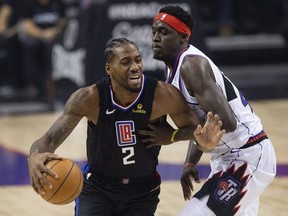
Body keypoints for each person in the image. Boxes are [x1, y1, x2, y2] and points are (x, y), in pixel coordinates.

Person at [27, 38, 225, 216]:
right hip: (98, 188)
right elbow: (49, 141)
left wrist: (175, 137)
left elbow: (198, 133)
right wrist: (34, 156)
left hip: (142, 192)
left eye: (138, 60)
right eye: (125, 62)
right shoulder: (89, 98)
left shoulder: (162, 95)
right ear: (109, 69)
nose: (135, 67)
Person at [144, 5, 277, 216]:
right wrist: (190, 161)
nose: (155, 37)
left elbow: (225, 122)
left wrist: (172, 136)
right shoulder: (174, 68)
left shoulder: (191, 66)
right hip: (226, 157)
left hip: (247, 156)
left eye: (163, 32)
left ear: (182, 37)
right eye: (154, 31)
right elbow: (201, 121)